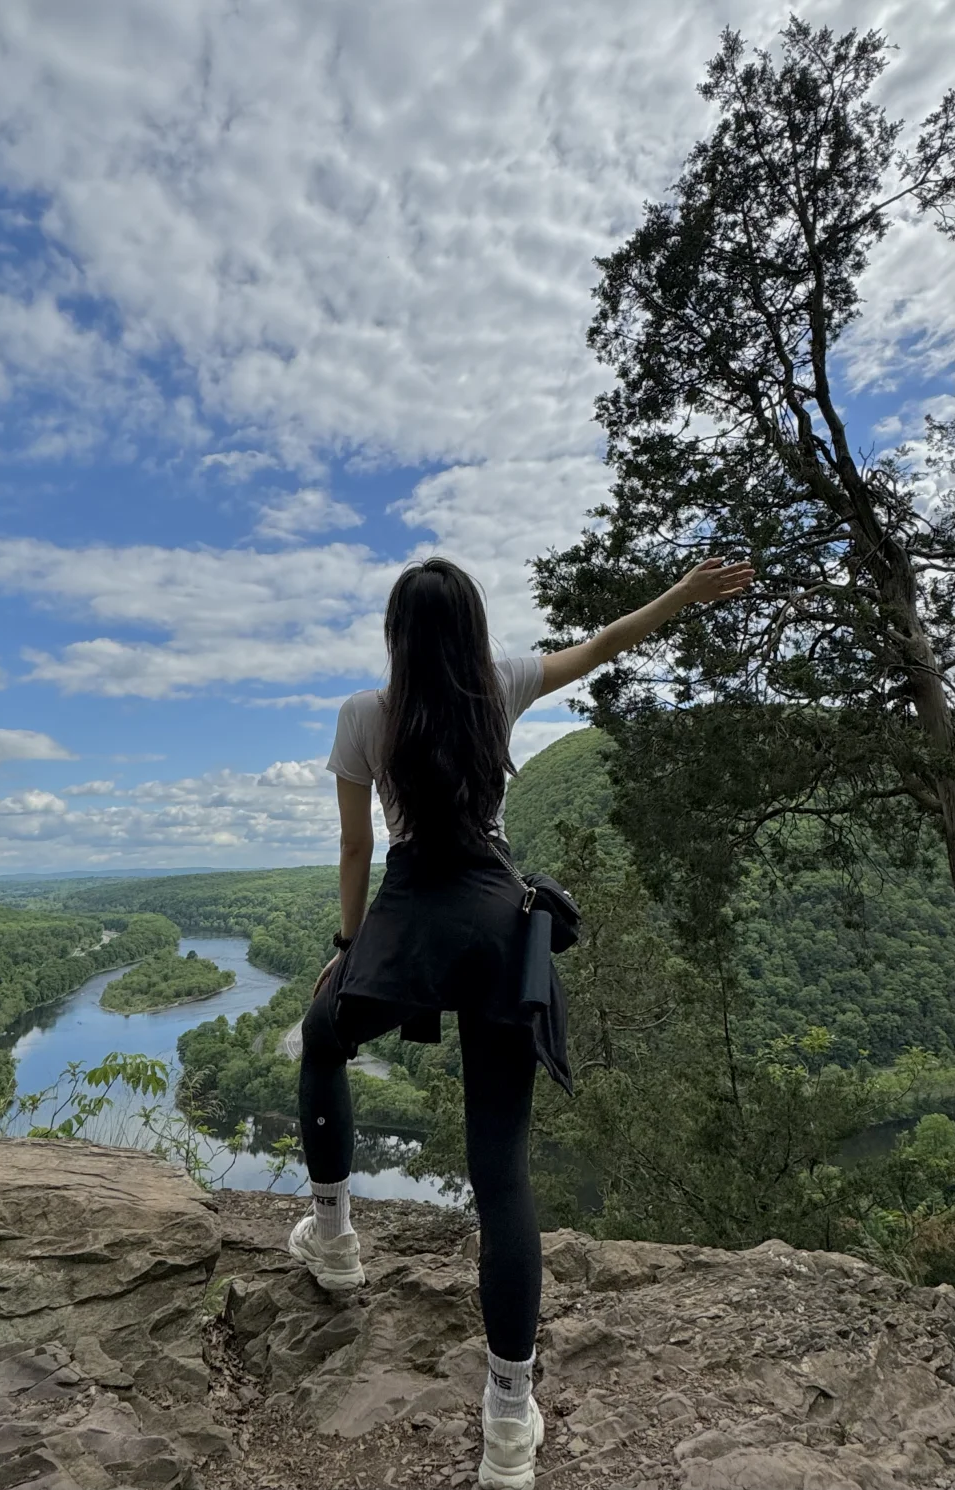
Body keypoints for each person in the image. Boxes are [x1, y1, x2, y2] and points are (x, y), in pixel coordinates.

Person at [288, 553, 754, 1490]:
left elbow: (355, 845)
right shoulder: (499, 687)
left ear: (394, 636)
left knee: (322, 1037)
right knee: (500, 1170)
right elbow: (607, 643)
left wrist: (349, 944)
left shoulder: (362, 715)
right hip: (500, 923)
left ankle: (334, 1239)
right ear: (474, 631)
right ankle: (508, 1422)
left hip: (415, 917)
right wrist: (681, 591)